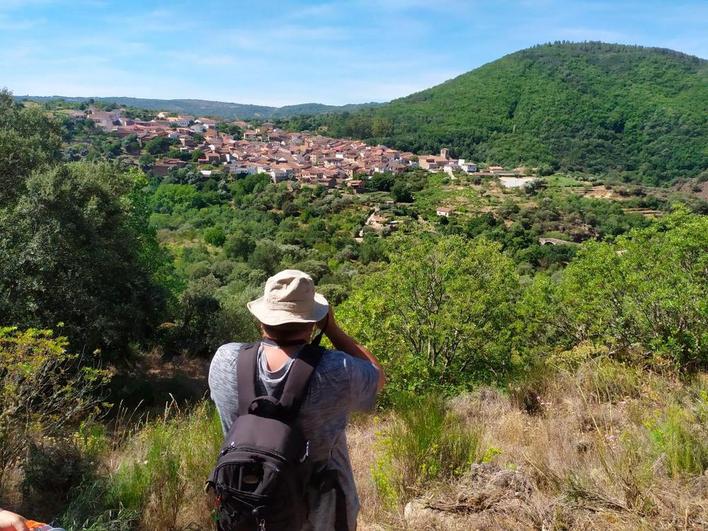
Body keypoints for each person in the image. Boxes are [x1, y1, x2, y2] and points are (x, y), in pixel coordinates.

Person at [209, 269, 384, 530]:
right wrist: (333, 330)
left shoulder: (224, 360)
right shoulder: (338, 370)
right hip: (322, 513)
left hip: (247, 509)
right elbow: (377, 376)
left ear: (261, 319)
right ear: (313, 323)